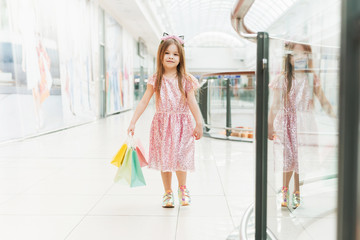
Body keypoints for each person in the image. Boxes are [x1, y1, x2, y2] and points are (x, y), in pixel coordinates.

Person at [127, 33, 203, 208]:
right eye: (167, 53)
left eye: (175, 54)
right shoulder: (156, 78)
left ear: (180, 58)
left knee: (181, 157)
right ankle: (167, 192)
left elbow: (192, 101)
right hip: (162, 125)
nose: (171, 57)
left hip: (183, 124)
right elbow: (145, 100)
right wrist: (133, 121)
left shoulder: (186, 79)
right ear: (161, 55)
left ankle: (183, 189)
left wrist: (198, 122)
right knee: (166, 158)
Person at [268, 42, 336, 209]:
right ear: (289, 58)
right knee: (288, 158)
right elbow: (275, 104)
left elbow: (323, 101)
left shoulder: (312, 78)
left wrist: (336, 117)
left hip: (305, 125)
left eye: (304, 54)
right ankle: (285, 190)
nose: (300, 58)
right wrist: (269, 124)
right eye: (295, 54)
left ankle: (297, 191)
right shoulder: (282, 79)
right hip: (286, 124)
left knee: (301, 158)